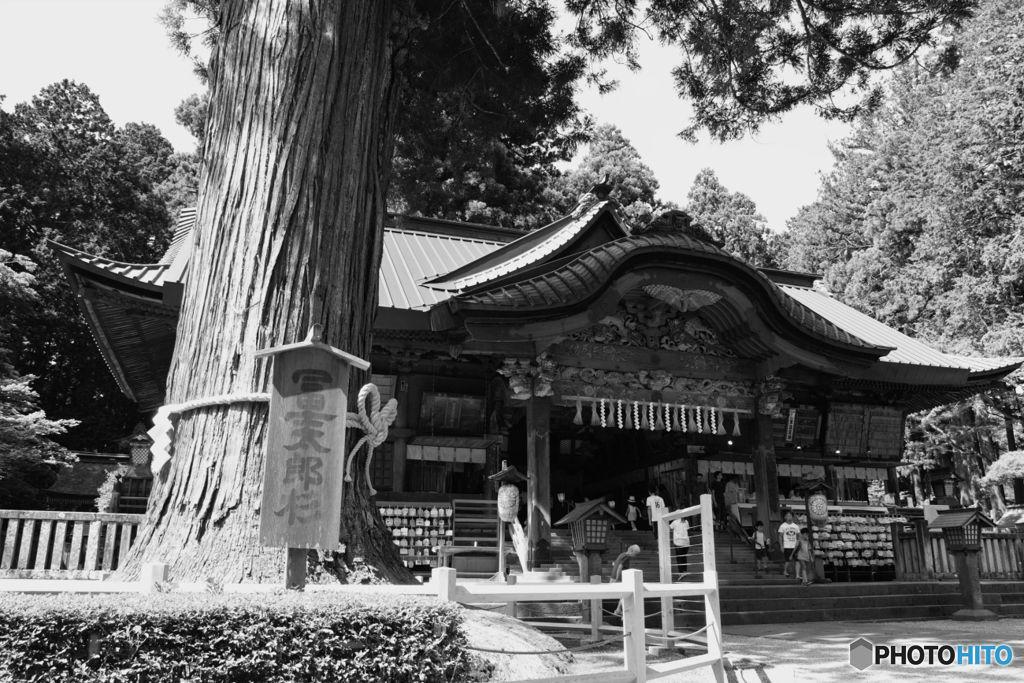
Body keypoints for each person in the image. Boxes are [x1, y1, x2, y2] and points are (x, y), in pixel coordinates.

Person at [611, 545, 642, 615]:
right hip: (617, 580)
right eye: (635, 554)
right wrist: (617, 579)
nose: (635, 556)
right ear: (631, 551)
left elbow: (613, 564)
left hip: (612, 578)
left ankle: (618, 609)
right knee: (628, 593)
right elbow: (619, 567)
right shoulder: (627, 557)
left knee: (625, 594)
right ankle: (619, 610)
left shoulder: (621, 555)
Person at [779, 510, 800, 578]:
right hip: (787, 546)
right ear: (785, 517)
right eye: (787, 515)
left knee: (797, 560)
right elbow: (780, 536)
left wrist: (797, 543)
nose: (789, 517)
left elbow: (798, 536)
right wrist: (781, 546)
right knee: (788, 560)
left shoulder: (796, 526)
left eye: (790, 515)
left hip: (795, 546)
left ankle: (797, 575)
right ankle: (785, 571)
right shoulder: (783, 526)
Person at [669, 511, 690, 578]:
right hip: (686, 543)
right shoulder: (686, 522)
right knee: (684, 557)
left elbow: (669, 528)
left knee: (679, 558)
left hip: (678, 542)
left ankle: (681, 572)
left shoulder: (674, 522)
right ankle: (684, 571)